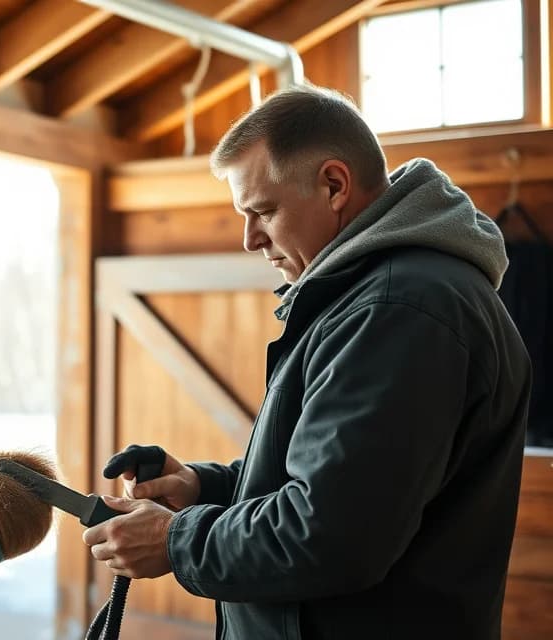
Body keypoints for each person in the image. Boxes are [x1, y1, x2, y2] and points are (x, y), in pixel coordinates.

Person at [83, 84, 532, 638]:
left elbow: (333, 535)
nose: (250, 239)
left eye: (263, 211)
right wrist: (204, 488)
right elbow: (344, 482)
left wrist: (177, 540)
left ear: (334, 185)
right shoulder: (381, 297)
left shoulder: (398, 310)